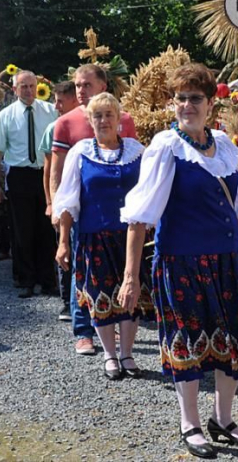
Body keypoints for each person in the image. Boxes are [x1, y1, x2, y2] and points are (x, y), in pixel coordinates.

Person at [119, 63, 238, 458]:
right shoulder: (166, 147)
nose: (186, 105)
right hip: (182, 262)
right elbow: (139, 216)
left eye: (195, 98)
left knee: (233, 339)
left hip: (229, 261)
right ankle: (191, 423)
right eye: (180, 98)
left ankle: (223, 418)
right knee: (188, 341)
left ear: (211, 104)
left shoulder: (224, 144)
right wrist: (131, 277)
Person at [53, 93, 153, 380]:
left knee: (131, 294)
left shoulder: (137, 151)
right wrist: (62, 242)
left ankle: (127, 353)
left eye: (109, 114)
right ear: (90, 120)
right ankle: (110, 354)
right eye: (98, 115)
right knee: (100, 297)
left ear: (119, 118)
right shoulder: (81, 153)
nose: (104, 120)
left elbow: (151, 192)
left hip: (131, 238)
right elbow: (68, 200)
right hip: (93, 236)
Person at [52, 64, 132, 355]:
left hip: (119, 220)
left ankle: (120, 333)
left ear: (103, 86)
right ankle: (83, 330)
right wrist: (54, 203)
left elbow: (132, 159)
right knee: (81, 274)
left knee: (119, 274)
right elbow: (57, 169)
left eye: (86, 85)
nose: (80, 91)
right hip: (83, 214)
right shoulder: (66, 122)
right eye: (76, 86)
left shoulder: (125, 119)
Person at [0, 70, 58, 298]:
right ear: (15, 89)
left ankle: (48, 279)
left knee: (46, 229)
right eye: (23, 86)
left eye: (31, 86)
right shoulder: (6, 115)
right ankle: (25, 279)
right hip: (19, 175)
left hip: (44, 174)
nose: (28, 90)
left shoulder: (50, 112)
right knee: (21, 230)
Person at [40, 80, 80, 322]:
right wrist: (50, 201)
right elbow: (49, 170)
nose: (55, 105)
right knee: (64, 248)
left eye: (60, 100)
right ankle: (68, 302)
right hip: (65, 198)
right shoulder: (55, 127)